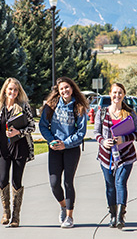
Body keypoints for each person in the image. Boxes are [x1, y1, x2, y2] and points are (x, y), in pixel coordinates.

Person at [0, 78, 35, 227]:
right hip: (2, 149)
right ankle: (6, 212)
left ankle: (16, 216)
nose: (13, 92)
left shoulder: (23, 106)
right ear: (5, 90)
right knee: (3, 179)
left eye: (15, 90)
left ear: (19, 92)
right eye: (10, 89)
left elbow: (32, 127)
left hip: (20, 149)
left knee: (16, 181)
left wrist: (19, 132)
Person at [39, 77, 89, 229]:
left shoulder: (79, 107)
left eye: (67, 87)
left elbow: (81, 132)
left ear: (72, 88)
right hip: (54, 148)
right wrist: (52, 141)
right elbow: (43, 126)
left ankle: (69, 216)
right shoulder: (51, 106)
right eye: (62, 88)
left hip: (71, 149)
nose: (64, 90)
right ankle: (63, 205)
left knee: (68, 182)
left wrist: (65, 144)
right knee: (54, 183)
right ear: (58, 91)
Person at [93, 83, 137, 230]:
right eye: (115, 92)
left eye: (120, 93)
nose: (117, 95)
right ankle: (113, 215)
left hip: (126, 155)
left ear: (124, 95)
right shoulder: (102, 112)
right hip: (106, 156)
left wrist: (124, 139)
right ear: (110, 94)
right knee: (110, 186)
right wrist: (103, 141)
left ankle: (121, 216)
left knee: (120, 183)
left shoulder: (129, 113)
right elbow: (96, 133)